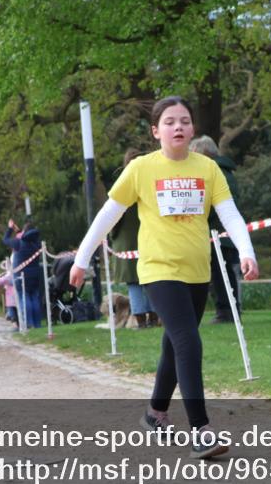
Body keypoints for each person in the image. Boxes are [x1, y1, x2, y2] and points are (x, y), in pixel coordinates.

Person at [69, 96, 259, 459]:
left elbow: (229, 214)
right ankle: (201, 430)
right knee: (188, 341)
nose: (178, 127)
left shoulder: (208, 168)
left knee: (175, 344)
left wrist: (247, 252)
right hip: (158, 270)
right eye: (169, 121)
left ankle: (155, 413)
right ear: (156, 131)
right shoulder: (141, 169)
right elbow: (107, 216)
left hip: (197, 271)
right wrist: (82, 258)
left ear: (193, 129)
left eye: (184, 121)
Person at [189, 135, 242, 323]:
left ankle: (226, 311)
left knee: (221, 275)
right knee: (223, 273)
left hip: (217, 232)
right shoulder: (226, 172)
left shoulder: (216, 173)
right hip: (221, 232)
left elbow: (214, 206)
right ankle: (227, 310)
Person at [109, 148, 158, 329]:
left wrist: (112, 236)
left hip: (127, 242)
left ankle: (141, 322)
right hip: (149, 237)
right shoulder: (151, 182)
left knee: (134, 284)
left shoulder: (122, 184)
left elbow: (114, 218)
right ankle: (154, 318)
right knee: (150, 282)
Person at [3, 219, 43, 329]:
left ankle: (28, 323)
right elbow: (26, 236)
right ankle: (37, 324)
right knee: (34, 298)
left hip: (21, 276)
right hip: (35, 275)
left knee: (24, 299)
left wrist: (10, 228)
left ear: (24, 232)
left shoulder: (18, 243)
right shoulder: (38, 244)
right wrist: (19, 230)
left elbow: (5, 240)